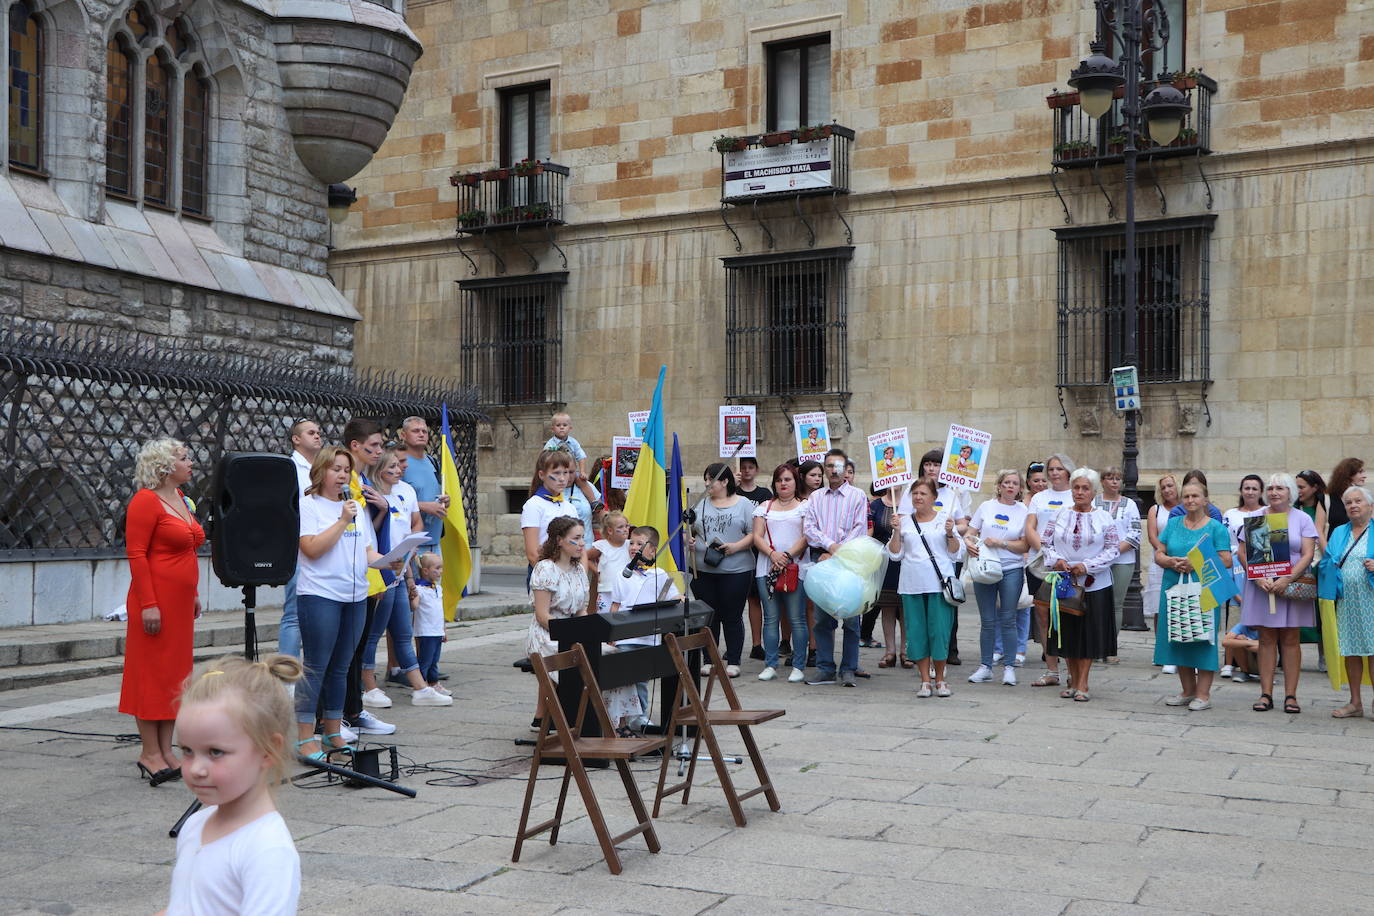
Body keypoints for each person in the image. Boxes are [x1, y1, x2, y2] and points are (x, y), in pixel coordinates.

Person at [160, 654, 303, 916]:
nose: (196, 769)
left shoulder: (267, 849)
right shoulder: (195, 825)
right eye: (187, 750)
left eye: (215, 752)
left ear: (267, 750)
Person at [294, 446, 403, 760]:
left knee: (341, 669)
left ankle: (332, 732)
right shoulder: (309, 505)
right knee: (316, 667)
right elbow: (312, 549)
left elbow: (368, 553)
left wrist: (389, 561)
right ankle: (304, 738)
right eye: (336, 468)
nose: (342, 475)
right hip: (320, 595)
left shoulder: (355, 506)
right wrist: (342, 520)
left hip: (355, 596)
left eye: (346, 470)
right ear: (321, 472)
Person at [121, 437, 202, 786]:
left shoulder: (182, 499)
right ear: (166, 466)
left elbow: (188, 553)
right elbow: (137, 554)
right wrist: (149, 604)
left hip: (181, 602)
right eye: (185, 458)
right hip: (154, 600)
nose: (191, 463)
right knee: (151, 674)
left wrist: (194, 592)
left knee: (175, 676)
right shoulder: (145, 501)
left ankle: (166, 750)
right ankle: (148, 752)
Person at [526, 517, 641, 731]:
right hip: (547, 634)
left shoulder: (579, 569)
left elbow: (581, 609)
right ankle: (581, 719)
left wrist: (590, 632)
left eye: (583, 538)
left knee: (614, 657)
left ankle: (615, 721)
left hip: (572, 631)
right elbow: (542, 615)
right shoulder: (545, 569)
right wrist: (571, 633)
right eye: (576, 539)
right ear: (559, 540)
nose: (582, 544)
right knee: (585, 660)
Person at [359, 448, 451, 708]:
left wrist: (409, 572)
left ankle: (420, 687)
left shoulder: (406, 491)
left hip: (401, 567)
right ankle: (368, 685)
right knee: (374, 632)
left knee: (403, 631)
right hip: (381, 569)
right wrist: (382, 510)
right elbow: (373, 532)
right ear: (379, 471)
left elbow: (411, 527)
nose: (399, 470)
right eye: (392, 467)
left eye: (399, 466)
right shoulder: (372, 492)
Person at [1238, 473, 1318, 714]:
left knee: (1292, 639)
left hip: (1290, 585)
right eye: (1271, 488)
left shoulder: (1302, 518)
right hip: (1263, 586)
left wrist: (1287, 579)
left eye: (1280, 488)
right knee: (1266, 639)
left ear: (1290, 492)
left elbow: (1307, 553)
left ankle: (1291, 695)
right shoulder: (1255, 517)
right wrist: (1259, 577)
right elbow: (1242, 552)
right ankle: (1266, 693)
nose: (1274, 492)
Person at [1040, 467, 1120, 702]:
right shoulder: (1059, 515)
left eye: (1085, 488)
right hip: (1065, 582)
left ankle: (1083, 682)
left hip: (1093, 584)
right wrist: (1057, 560)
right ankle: (1072, 679)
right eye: (1076, 487)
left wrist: (1087, 565)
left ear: (1094, 492)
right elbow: (1046, 542)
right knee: (1068, 633)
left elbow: (1113, 549)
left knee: (1088, 635)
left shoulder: (1104, 517)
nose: (1080, 492)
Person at [1154, 479, 1232, 711]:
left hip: (1206, 586)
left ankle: (1203, 694)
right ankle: (1187, 691)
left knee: (1202, 636)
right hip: (1174, 585)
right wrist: (1169, 561)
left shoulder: (1216, 528)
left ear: (1205, 500)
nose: (1190, 500)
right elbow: (1160, 552)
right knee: (1178, 635)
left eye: (1195, 496)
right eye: (1186, 496)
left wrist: (1196, 562)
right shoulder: (1174, 523)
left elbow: (1227, 560)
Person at [887, 478, 964, 697]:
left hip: (939, 586)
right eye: (915, 494)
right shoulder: (904, 522)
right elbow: (895, 554)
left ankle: (940, 679)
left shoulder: (944, 520)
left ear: (933, 498)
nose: (918, 497)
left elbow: (955, 553)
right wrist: (895, 531)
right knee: (917, 633)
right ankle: (924, 680)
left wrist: (950, 533)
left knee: (939, 632)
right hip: (912, 585)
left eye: (923, 494)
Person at [802, 449, 869, 687]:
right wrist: (830, 547)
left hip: (849, 561)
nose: (833, 470)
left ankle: (849, 668)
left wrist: (839, 551)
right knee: (822, 618)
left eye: (837, 466)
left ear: (845, 469)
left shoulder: (857, 495)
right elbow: (810, 528)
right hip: (824, 560)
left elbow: (859, 527)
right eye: (829, 466)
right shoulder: (816, 498)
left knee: (851, 618)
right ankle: (825, 667)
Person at [608, 525, 682, 732]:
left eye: (640, 544)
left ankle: (639, 717)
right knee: (624, 677)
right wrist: (611, 633)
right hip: (625, 636)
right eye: (631, 542)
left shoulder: (659, 574)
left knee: (641, 678)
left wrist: (681, 598)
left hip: (648, 637)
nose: (633, 547)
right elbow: (615, 605)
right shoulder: (622, 574)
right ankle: (622, 718)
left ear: (652, 550)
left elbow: (674, 596)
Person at [691, 463, 757, 677]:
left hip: (736, 569)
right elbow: (689, 529)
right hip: (703, 569)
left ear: (725, 481)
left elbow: (753, 533)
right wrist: (688, 541)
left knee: (732, 615)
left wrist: (735, 547)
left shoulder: (744, 504)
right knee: (709, 616)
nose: (707, 484)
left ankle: (734, 660)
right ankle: (709, 659)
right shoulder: (700, 504)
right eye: (706, 479)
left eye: (711, 479)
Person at [966, 469, 1029, 686]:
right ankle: (985, 666)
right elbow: (970, 532)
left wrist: (1001, 543)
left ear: (1020, 488)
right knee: (987, 620)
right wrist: (968, 542)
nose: (1010, 486)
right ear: (999, 486)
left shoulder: (1024, 511)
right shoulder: (986, 506)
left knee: (1008, 618)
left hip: (1011, 569)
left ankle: (1009, 667)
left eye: (1015, 483)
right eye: (1006, 483)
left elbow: (1024, 545)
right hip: (985, 567)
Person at [753, 464, 809, 682]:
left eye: (788, 479)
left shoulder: (805, 507)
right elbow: (757, 536)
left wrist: (785, 555)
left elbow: (807, 536)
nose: (783, 484)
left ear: (796, 482)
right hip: (766, 569)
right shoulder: (764, 507)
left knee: (797, 618)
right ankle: (770, 663)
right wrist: (772, 554)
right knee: (771, 618)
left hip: (796, 569)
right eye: (779, 480)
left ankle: (798, 665)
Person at [1025, 452, 1075, 687]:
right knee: (1044, 617)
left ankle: (1073, 669)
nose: (1054, 473)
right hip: (1041, 565)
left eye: (1059, 469)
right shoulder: (1039, 498)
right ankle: (1051, 669)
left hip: (1067, 566)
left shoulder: (1075, 494)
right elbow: (1030, 527)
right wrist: (1046, 553)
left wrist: (1060, 557)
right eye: (1051, 469)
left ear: (1068, 471)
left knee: (1067, 616)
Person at [1327, 486, 1374, 717]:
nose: (1353, 506)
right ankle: (1355, 702)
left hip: (1371, 600)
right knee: (1351, 650)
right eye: (1348, 503)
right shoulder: (1338, 532)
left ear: (1371, 507)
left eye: (1358, 501)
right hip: (1346, 602)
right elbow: (1328, 561)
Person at [279, 419, 322, 661]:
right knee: (294, 612)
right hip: (299, 547)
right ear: (296, 439)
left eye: (318, 432)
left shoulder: (322, 467)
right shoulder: (290, 467)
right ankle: (287, 673)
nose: (317, 436)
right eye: (311, 432)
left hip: (323, 544)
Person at [1096, 466, 1141, 659]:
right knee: (1096, 603)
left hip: (1123, 559)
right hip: (1097, 561)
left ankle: (1110, 646)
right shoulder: (1094, 502)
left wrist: (1114, 551)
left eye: (1117, 478)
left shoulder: (1129, 504)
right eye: (1109, 478)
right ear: (1102, 481)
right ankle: (1096, 646)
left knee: (1116, 604)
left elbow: (1135, 532)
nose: (1114, 482)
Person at [864, 482, 909, 668]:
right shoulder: (875, 506)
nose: (895, 483)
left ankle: (906, 651)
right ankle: (890, 651)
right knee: (887, 607)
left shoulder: (909, 504)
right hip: (883, 562)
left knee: (906, 608)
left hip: (906, 560)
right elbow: (869, 534)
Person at [521, 449, 582, 575]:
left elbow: (580, 547)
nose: (562, 478)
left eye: (566, 473)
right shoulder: (534, 505)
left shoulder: (570, 507)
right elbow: (533, 553)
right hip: (545, 573)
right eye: (556, 473)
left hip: (570, 572)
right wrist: (555, 577)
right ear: (542, 475)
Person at [735, 456, 772, 661]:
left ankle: (763, 643)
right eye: (743, 467)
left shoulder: (764, 494)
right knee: (745, 600)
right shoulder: (734, 492)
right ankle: (750, 642)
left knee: (761, 599)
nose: (747, 471)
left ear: (757, 470)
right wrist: (732, 482)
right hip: (739, 551)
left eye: (750, 467)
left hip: (760, 551)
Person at [398, 416, 451, 554]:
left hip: (435, 542)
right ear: (403, 435)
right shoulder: (399, 464)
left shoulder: (433, 462)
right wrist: (424, 506)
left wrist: (446, 500)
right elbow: (393, 501)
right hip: (411, 544)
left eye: (424, 431)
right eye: (415, 431)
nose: (421, 434)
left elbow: (437, 491)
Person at [1223, 475, 1265, 628]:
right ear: (1241, 491)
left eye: (1254, 488)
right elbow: (1226, 542)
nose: (1250, 492)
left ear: (1261, 492)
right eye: (1247, 488)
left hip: (1263, 566)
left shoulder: (1267, 512)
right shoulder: (1230, 514)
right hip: (1236, 567)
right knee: (1236, 616)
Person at [1141, 473, 1180, 631]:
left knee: (1178, 605)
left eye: (1170, 486)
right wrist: (1165, 555)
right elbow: (1152, 536)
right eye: (1163, 487)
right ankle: (1159, 649)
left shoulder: (1186, 508)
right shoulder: (1155, 510)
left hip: (1182, 561)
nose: (1167, 490)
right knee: (1160, 608)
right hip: (1160, 562)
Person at [410, 553, 448, 694]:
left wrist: (443, 629)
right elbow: (414, 606)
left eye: (441, 568)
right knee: (425, 660)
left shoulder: (438, 588)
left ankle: (433, 683)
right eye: (437, 568)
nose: (441, 571)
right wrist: (412, 595)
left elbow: (440, 610)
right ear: (425, 571)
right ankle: (421, 684)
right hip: (425, 631)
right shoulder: (420, 589)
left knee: (434, 660)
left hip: (437, 631)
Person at [587, 511, 631, 613]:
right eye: (620, 527)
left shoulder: (630, 545)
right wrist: (596, 570)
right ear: (610, 531)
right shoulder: (602, 545)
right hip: (606, 592)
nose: (625, 530)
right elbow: (585, 556)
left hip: (626, 590)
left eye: (627, 526)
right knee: (606, 619)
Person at [1327, 458, 1367, 533]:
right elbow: (1319, 529)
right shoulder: (1327, 498)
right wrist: (1328, 545)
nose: (1364, 476)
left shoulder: (1366, 498)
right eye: (1360, 472)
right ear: (1348, 474)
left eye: (1357, 501)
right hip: (1334, 543)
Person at [1295, 469, 1329, 549]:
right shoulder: (1293, 509)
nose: (1297, 491)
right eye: (1295, 487)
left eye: (1301, 487)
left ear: (1315, 487)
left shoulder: (1327, 506)